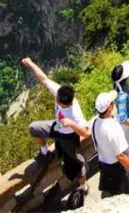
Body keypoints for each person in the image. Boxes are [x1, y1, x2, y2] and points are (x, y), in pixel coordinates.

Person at [22, 56, 89, 195]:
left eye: (58, 100)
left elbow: (86, 133)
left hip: (68, 137)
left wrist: (72, 124)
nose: (55, 99)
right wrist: (31, 64)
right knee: (34, 128)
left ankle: (83, 186)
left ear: (64, 103)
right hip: (56, 127)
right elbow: (44, 79)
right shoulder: (60, 92)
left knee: (74, 163)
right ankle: (45, 152)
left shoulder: (75, 113)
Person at [91, 91, 129, 197]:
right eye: (112, 102)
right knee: (126, 196)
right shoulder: (113, 128)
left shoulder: (94, 123)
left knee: (112, 191)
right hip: (116, 168)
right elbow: (120, 155)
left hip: (103, 165)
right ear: (109, 107)